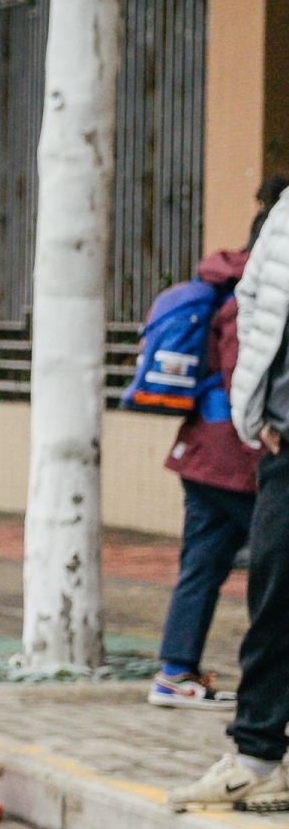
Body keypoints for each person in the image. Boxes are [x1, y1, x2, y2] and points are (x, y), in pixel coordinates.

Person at [175, 180, 289, 813]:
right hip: (283, 440)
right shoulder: (285, 213)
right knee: (273, 596)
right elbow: (253, 302)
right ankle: (256, 757)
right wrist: (256, 406)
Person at [149, 176, 279, 708]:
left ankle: (175, 674)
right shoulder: (249, 297)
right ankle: (263, 689)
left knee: (201, 566)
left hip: (203, 452)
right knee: (277, 565)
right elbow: (240, 374)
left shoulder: (223, 283)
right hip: (237, 457)